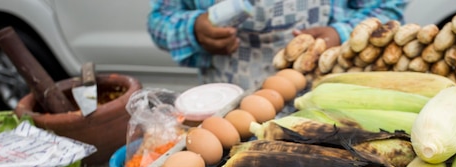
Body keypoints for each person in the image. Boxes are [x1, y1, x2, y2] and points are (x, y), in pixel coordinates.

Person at [147, 0, 407, 89]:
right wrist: (194, 29)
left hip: (324, 95)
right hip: (229, 101)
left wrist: (339, 33)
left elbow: (385, 9)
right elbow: (159, 19)